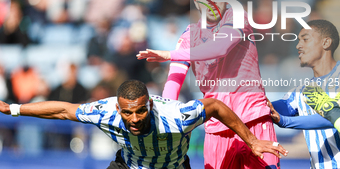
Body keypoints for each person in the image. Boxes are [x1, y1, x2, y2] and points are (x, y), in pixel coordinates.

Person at [137, 0, 280, 169]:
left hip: (252, 118)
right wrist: (165, 120)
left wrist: (170, 54)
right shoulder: (189, 34)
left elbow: (220, 48)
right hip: (216, 127)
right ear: (196, 2)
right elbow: (174, 80)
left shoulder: (238, 16)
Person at [0, 79, 287, 169]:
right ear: (118, 108)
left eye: (140, 111)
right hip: (129, 165)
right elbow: (64, 110)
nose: (134, 119)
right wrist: (11, 108)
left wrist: (251, 141)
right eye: (128, 113)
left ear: (149, 105)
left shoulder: (176, 116)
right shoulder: (107, 113)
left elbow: (214, 106)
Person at [267, 19, 340, 169]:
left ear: (326, 43)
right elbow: (274, 108)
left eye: (305, 40)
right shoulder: (302, 90)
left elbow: (333, 116)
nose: (298, 46)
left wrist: (286, 121)